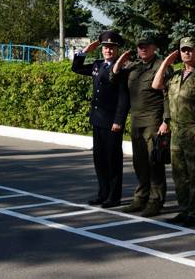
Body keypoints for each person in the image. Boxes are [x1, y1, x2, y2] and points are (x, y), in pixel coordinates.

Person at [152, 37, 195, 227]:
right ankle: (183, 209)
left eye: (190, 50)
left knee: (194, 174)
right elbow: (156, 85)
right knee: (178, 174)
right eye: (183, 50)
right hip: (176, 131)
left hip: (193, 129)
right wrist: (165, 64)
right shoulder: (176, 76)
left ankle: (194, 213)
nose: (187, 53)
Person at [71, 31, 130, 209]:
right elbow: (76, 68)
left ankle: (114, 196)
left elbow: (123, 98)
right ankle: (103, 193)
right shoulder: (97, 65)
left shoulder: (122, 69)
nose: (108, 51)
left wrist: (119, 120)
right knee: (99, 159)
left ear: (117, 50)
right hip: (97, 120)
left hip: (112, 122)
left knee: (113, 159)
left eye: (112, 48)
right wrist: (85, 51)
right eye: (105, 47)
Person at [112, 35, 170, 217]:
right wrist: (122, 58)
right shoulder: (133, 66)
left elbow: (168, 95)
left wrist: (166, 120)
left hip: (153, 120)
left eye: (146, 46)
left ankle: (156, 200)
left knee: (154, 162)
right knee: (139, 162)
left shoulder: (162, 66)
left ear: (154, 47)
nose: (142, 49)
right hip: (136, 120)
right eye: (140, 46)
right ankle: (141, 197)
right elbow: (113, 76)